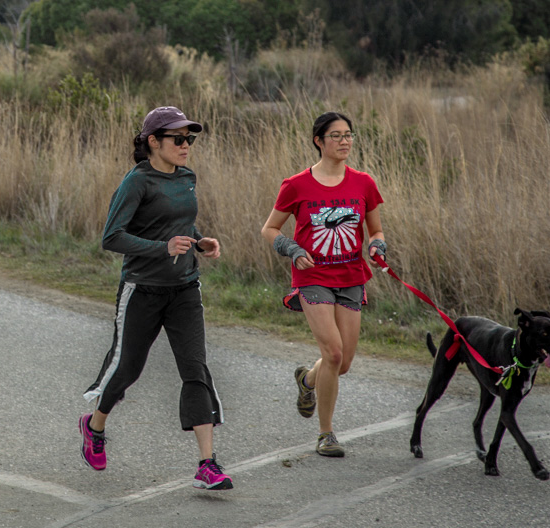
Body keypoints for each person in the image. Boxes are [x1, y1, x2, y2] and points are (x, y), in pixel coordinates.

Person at [80, 106, 233, 491]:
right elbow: (111, 237)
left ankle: (207, 463)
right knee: (128, 368)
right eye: (178, 139)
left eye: (190, 139)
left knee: (195, 369)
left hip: (184, 288)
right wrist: (160, 247)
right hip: (142, 290)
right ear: (153, 141)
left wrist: (199, 241)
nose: (186, 146)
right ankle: (94, 425)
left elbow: (179, 225)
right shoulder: (137, 182)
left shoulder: (186, 177)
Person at [260, 111, 388, 458]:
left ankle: (307, 380)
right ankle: (326, 434)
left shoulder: (364, 183)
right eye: (336, 135)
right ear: (319, 141)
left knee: (342, 362)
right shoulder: (297, 184)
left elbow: (375, 229)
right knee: (332, 352)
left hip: (350, 276)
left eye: (349, 134)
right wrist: (291, 248)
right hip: (312, 276)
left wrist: (377, 244)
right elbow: (269, 229)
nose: (345, 141)